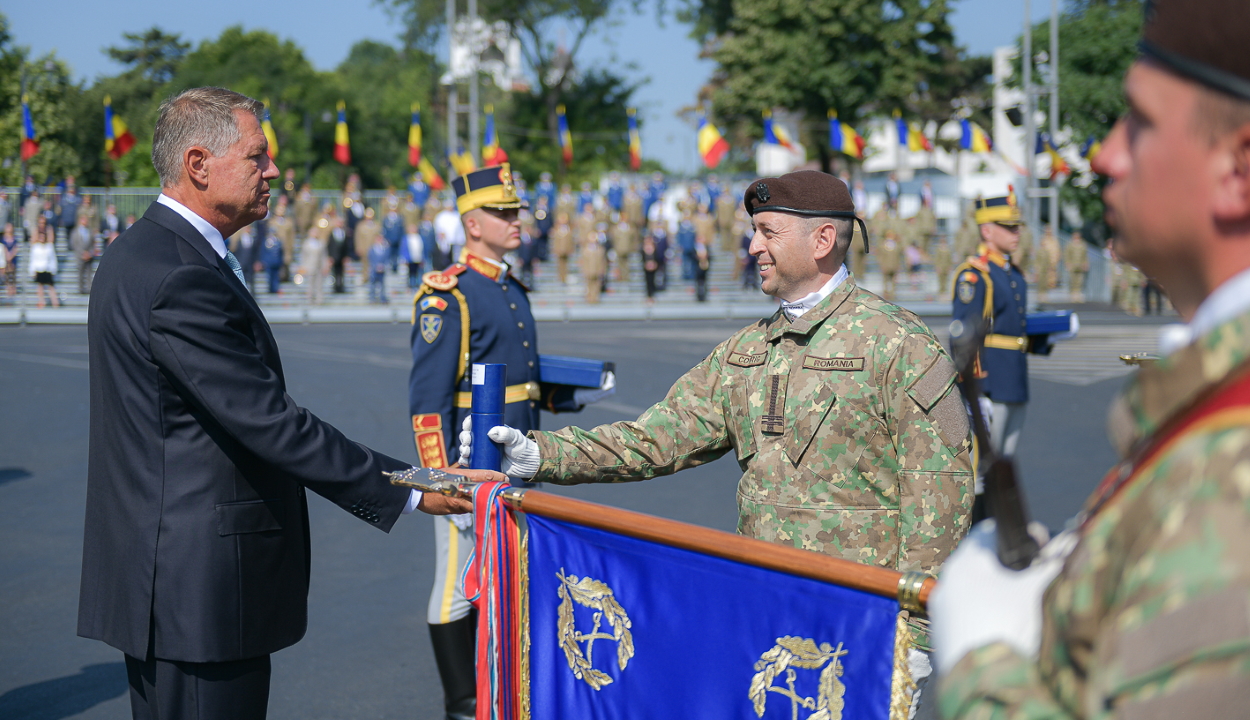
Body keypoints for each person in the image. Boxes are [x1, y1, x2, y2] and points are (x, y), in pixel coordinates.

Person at [476, 170, 974, 713]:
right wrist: (541, 454)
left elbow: (940, 495)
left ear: (823, 241)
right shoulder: (745, 352)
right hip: (762, 610)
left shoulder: (900, 344)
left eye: (768, 231)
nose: (753, 245)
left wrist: (918, 629)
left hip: (859, 618)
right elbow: (655, 439)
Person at [77, 87, 482, 720]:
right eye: (258, 156)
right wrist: (411, 485)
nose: (273, 172)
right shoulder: (180, 274)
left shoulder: (138, 253)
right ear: (199, 165)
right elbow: (271, 423)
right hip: (198, 592)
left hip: (164, 580)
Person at [931, 2, 1250, 716]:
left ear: (1240, 167)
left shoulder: (1230, 473)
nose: (1105, 154)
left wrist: (984, 663)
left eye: (1138, 121)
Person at [407, 163, 614, 720]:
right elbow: (428, 403)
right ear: (473, 224)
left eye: (515, 210)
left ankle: (498, 687)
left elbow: (522, 381)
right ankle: (461, 702)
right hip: (471, 467)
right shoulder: (451, 295)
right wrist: (443, 480)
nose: (516, 219)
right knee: (455, 583)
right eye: (503, 212)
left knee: (507, 575)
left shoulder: (508, 286)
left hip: (519, 459)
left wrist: (569, 397)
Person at [950, 193, 1048, 520]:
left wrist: (1044, 337)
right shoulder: (975, 274)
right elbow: (965, 336)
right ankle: (975, 533)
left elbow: (1010, 328)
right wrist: (977, 388)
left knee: (1003, 463)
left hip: (1013, 379)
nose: (1016, 232)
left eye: (1016, 226)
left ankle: (993, 531)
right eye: (1007, 227)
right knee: (981, 468)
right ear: (987, 230)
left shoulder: (1011, 272)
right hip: (991, 382)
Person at [29, 216, 59, 308]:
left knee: (50, 286)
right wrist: (32, 270)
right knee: (40, 287)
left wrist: (54, 269)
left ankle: (55, 303)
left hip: (47, 269)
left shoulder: (49, 246)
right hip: (39, 269)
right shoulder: (35, 247)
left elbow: (53, 259)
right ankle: (42, 302)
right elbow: (32, 260)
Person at [70, 214, 96, 294]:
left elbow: (93, 243)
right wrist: (82, 253)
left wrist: (89, 253)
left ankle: (89, 288)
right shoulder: (75, 232)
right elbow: (74, 244)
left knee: (89, 273)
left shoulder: (90, 231)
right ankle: (80, 289)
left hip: (89, 255)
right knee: (80, 273)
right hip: (80, 256)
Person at [1063, 229, 1089, 301]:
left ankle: (1078, 295)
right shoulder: (1070, 244)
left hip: (1080, 265)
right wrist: (1067, 263)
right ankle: (1073, 295)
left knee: (1080, 281)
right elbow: (1067, 254)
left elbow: (1085, 255)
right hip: (1073, 264)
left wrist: (1085, 263)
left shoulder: (1083, 244)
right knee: (1072, 280)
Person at [367, 231, 389, 304]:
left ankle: (382, 297)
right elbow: (371, 259)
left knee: (382, 284)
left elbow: (386, 259)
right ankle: (372, 297)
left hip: (382, 269)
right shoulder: (372, 249)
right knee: (373, 284)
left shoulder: (384, 248)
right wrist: (375, 266)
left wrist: (383, 266)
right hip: (374, 269)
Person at [1, 222, 18, 299]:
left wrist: (10, 256)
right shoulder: (2, 240)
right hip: (3, 262)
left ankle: (12, 296)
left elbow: (16, 249)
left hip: (12, 263)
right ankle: (8, 297)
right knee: (7, 281)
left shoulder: (14, 239)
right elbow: (3, 249)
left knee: (12, 280)